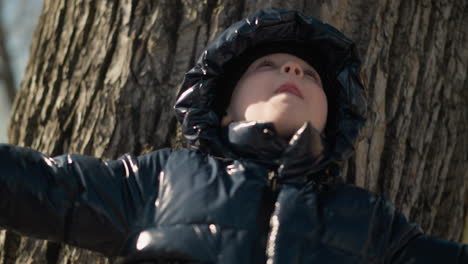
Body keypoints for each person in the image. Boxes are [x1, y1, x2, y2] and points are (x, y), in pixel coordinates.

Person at [0, 8, 466, 264]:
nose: (292, 69)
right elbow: (45, 187)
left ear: (331, 121)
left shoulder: (370, 222)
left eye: (311, 76)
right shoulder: (163, 181)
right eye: (268, 65)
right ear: (224, 110)